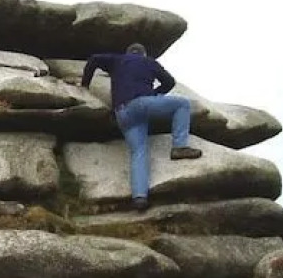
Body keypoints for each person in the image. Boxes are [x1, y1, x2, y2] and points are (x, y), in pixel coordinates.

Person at [80, 43, 202, 211]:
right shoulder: (149, 62)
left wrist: (85, 85)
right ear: (143, 54)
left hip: (121, 114)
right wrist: (155, 94)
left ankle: (139, 197)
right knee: (182, 104)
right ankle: (179, 147)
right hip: (140, 104)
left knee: (139, 152)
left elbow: (94, 59)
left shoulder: (117, 60)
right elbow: (170, 82)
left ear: (128, 52)